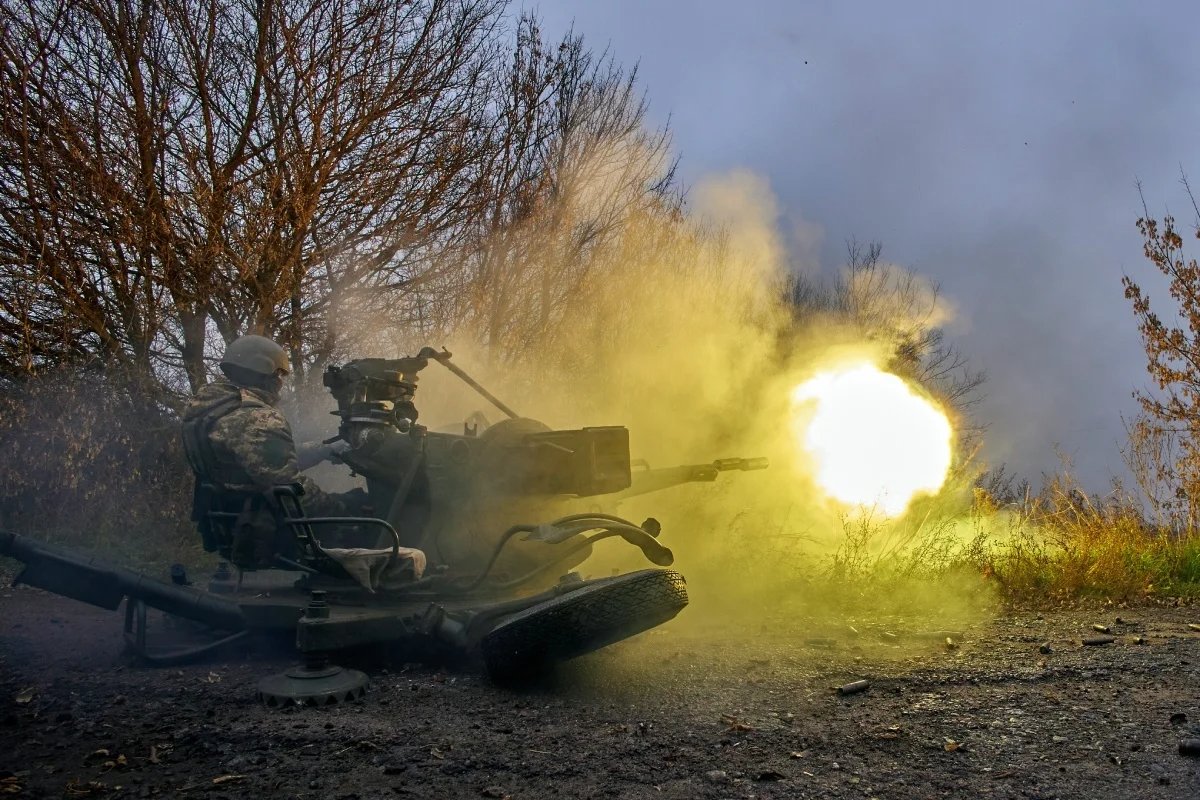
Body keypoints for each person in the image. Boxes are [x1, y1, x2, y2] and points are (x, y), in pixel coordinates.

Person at [181, 334, 365, 565]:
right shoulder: (256, 417)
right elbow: (288, 487)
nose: (281, 381)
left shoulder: (213, 409)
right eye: (280, 373)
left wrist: (324, 450)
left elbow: (261, 460)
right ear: (264, 370)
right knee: (363, 509)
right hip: (266, 531)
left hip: (232, 522)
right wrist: (341, 508)